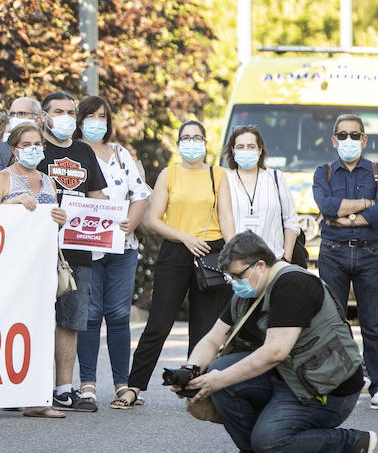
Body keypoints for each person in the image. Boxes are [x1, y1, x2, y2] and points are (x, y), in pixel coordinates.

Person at [177, 231, 377, 453]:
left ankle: (350, 444)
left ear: (260, 265)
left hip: (326, 391)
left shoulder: (293, 285)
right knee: (219, 368)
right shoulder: (249, 291)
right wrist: (193, 370)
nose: (233, 282)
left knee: (268, 438)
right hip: (289, 377)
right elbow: (212, 339)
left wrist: (218, 379)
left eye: (238, 275)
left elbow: (275, 351)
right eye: (230, 276)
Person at [117, 120, 230, 409]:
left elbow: (227, 218)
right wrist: (185, 238)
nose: (191, 143)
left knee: (205, 328)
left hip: (211, 253)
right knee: (158, 322)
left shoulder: (219, 175)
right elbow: (154, 221)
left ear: (206, 142)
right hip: (176, 251)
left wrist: (233, 257)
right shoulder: (169, 174)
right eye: (186, 138)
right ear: (178, 144)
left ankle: (197, 387)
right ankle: (133, 387)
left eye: (197, 138)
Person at [0, 123, 67, 419]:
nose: (34, 149)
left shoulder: (48, 181)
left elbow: (51, 222)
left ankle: (36, 399)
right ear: (14, 149)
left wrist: (59, 217)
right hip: (4, 268)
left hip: (39, 268)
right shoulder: (1, 179)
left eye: (37, 144)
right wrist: (12, 203)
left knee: (37, 331)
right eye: (26, 144)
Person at [312, 114, 378, 411]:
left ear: (364, 139)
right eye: (342, 135)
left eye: (354, 135)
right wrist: (364, 206)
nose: (349, 140)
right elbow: (325, 207)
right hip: (332, 253)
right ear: (334, 140)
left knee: (373, 323)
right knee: (334, 320)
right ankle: (345, 380)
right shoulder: (324, 173)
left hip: (370, 253)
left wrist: (344, 216)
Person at [32, 91, 109, 412]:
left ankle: (63, 389)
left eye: (70, 111)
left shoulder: (83, 152)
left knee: (71, 319)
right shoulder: (33, 150)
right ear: (44, 116)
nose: (65, 116)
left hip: (77, 248)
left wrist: (104, 213)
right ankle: (29, 386)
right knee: (33, 317)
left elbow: (98, 197)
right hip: (37, 248)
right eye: (58, 111)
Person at [74, 95, 150, 410]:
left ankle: (123, 384)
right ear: (80, 120)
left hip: (122, 247)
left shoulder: (120, 154)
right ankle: (87, 384)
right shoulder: (72, 153)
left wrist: (130, 225)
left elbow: (140, 193)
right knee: (89, 316)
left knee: (118, 316)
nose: (97, 122)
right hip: (84, 247)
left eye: (102, 116)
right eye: (91, 116)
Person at [217, 125, 300, 261]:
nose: (246, 151)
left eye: (251, 146)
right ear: (233, 150)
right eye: (240, 147)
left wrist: (286, 257)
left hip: (273, 261)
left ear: (260, 150)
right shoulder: (224, 179)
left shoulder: (276, 178)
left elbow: (291, 221)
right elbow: (222, 221)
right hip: (237, 264)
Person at [0, 96, 42, 177]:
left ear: (37, 119)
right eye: (12, 114)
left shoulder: (45, 149)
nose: (15, 118)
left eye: (21, 114)